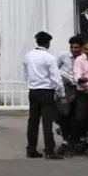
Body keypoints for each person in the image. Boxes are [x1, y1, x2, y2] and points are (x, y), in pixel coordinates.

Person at [22, 31, 64, 160]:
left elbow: (25, 74)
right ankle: (50, 150)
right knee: (47, 122)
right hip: (46, 91)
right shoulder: (49, 57)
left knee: (33, 121)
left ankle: (31, 149)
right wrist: (61, 92)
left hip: (33, 91)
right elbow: (56, 77)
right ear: (48, 43)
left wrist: (32, 83)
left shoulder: (28, 56)